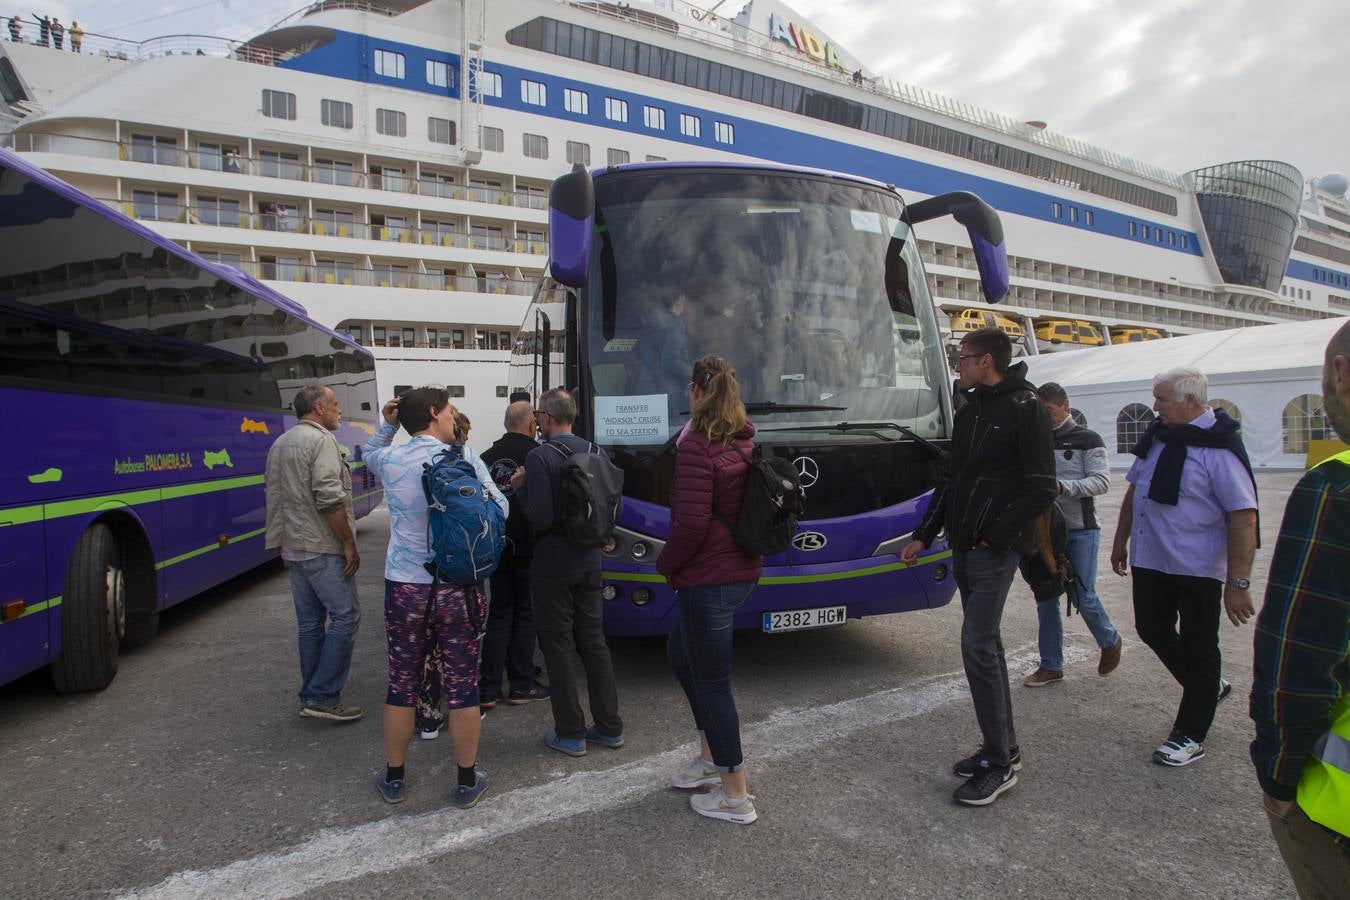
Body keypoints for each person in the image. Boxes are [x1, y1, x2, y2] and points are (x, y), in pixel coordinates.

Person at [901, 327, 1055, 806]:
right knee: (986, 644)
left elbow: (1041, 486)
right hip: (965, 547)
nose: (958, 365)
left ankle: (1000, 763)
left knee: (977, 645)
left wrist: (996, 536)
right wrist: (925, 533)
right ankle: (1001, 747)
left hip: (991, 550)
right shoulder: (972, 409)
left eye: (963, 357)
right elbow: (950, 478)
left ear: (986, 360)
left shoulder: (1025, 408)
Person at [362, 388, 507, 808]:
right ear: (434, 413)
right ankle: (466, 779)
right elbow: (499, 509)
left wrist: (391, 422)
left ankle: (394, 776)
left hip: (405, 587)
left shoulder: (389, 461)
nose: (452, 417)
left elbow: (371, 449)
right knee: (463, 683)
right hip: (457, 588)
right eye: (448, 410)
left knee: (402, 682)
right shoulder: (463, 458)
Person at [1110, 366, 1258, 767]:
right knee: (1150, 628)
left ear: (1191, 401)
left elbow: (1244, 516)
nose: (1154, 406)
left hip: (1197, 566)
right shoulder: (1160, 436)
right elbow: (1136, 490)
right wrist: (1121, 539)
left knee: (1199, 647)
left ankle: (1190, 733)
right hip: (1152, 559)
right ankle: (1207, 688)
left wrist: (1238, 582)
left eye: (1162, 399)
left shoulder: (1218, 449)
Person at [1250, 320, 1350, 897]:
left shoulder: (1336, 489)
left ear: (1339, 372)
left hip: (1338, 809)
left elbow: (1298, 657)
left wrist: (1278, 774)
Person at [657, 355, 762, 825]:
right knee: (681, 654)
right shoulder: (741, 440)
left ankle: (734, 795)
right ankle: (709, 760)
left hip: (710, 579)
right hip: (737, 571)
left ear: (697, 391)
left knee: (713, 684)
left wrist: (666, 564)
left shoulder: (698, 445)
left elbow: (691, 524)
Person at [508, 387, 623, 758]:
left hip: (552, 565)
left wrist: (519, 490)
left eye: (539, 416)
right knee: (594, 643)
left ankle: (571, 732)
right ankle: (609, 727)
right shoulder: (596, 451)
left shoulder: (540, 457)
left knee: (557, 647)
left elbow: (539, 517)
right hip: (590, 560)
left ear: (546, 417)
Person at [263, 384, 362, 722]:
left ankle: (311, 694)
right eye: (335, 404)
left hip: (291, 546)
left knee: (309, 624)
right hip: (321, 546)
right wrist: (348, 542)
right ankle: (322, 695)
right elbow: (329, 497)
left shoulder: (281, 442)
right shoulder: (321, 441)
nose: (339, 410)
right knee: (345, 616)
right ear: (319, 408)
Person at [1021, 382, 1122, 687]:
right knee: (1046, 596)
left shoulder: (1087, 438)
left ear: (1065, 405)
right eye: (1041, 411)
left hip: (1080, 529)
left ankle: (1109, 640)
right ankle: (1051, 665)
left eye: (1049, 410)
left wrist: (1064, 487)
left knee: (1082, 593)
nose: (1045, 416)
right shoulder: (1032, 439)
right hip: (1042, 531)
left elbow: (1102, 482)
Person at [478, 400, 548, 708]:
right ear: (532, 423)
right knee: (526, 613)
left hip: (494, 546)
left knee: (499, 613)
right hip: (528, 548)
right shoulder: (537, 456)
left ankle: (489, 686)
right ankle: (521, 682)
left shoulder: (483, 458)